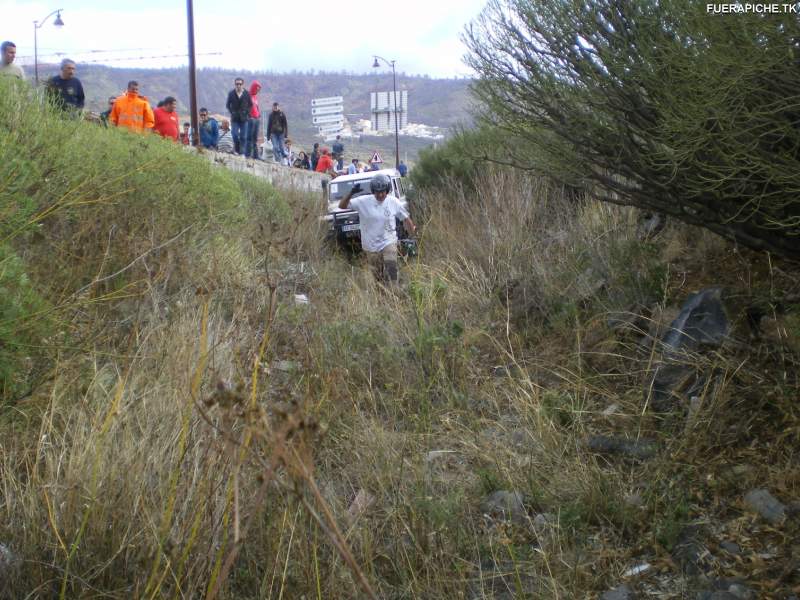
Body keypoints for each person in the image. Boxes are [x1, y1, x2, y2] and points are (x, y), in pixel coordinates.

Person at [338, 173, 416, 284]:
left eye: (382, 192)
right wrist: (351, 193)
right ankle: (381, 296)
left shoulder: (393, 202)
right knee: (377, 277)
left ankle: (394, 293)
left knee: (391, 271)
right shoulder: (363, 201)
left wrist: (412, 233)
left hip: (389, 242)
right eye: (377, 192)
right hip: (371, 246)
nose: (380, 195)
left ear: (387, 190)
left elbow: (406, 219)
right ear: (373, 191)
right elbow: (342, 206)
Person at [225, 77, 252, 154]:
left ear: (242, 84)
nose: (238, 85)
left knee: (243, 137)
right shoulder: (231, 93)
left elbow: (250, 105)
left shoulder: (247, 93)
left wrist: (247, 112)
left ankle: (242, 153)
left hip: (244, 118)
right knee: (235, 135)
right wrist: (232, 112)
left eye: (240, 84)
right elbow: (227, 105)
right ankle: (236, 149)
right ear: (235, 84)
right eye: (237, 84)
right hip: (235, 118)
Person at [246, 80, 262, 159]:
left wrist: (259, 115)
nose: (258, 90)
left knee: (255, 139)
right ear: (254, 87)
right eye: (257, 88)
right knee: (249, 137)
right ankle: (248, 154)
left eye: (259, 89)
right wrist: (249, 116)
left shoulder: (255, 97)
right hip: (251, 119)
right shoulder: (248, 96)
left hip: (256, 119)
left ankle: (256, 155)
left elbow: (257, 107)